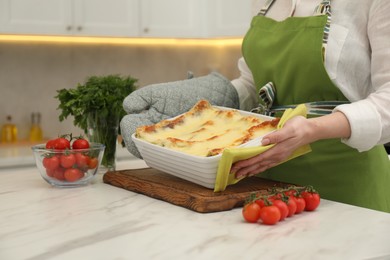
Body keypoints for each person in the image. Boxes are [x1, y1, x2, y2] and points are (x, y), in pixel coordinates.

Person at [121, 0, 390, 212]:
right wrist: (208, 96)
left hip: (346, 182)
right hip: (259, 180)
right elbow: (254, 85)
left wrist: (312, 129)